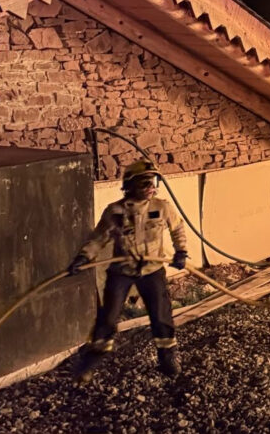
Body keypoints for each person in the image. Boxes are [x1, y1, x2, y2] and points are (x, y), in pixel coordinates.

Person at [67, 159, 188, 382]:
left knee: (161, 315)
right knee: (108, 317)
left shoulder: (162, 207)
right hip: (121, 271)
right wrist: (83, 257)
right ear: (130, 185)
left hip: (152, 270)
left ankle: (167, 357)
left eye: (152, 182)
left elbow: (178, 228)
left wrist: (181, 251)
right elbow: (98, 239)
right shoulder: (115, 211)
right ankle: (90, 361)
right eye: (144, 183)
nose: (150, 187)